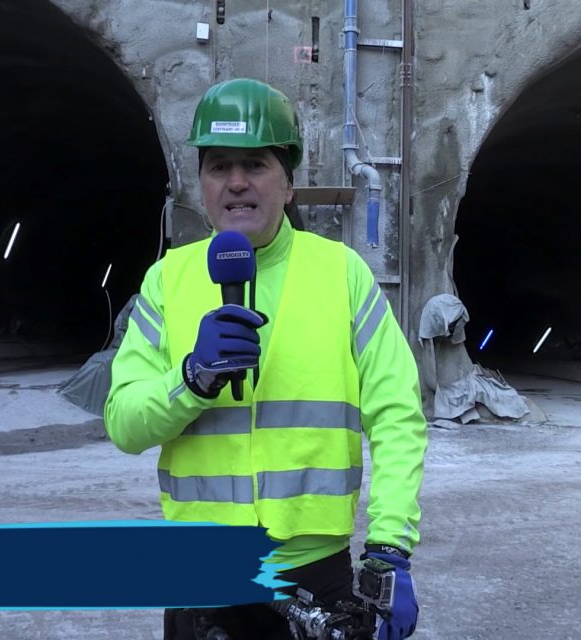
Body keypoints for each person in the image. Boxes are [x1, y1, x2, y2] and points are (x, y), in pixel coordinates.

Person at [104, 77, 427, 640]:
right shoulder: (167, 281)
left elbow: (397, 415)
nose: (235, 183)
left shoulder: (341, 274)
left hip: (315, 570)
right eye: (218, 165)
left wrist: (388, 547)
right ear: (200, 184)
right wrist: (191, 381)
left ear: (289, 183)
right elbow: (124, 425)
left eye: (254, 164)